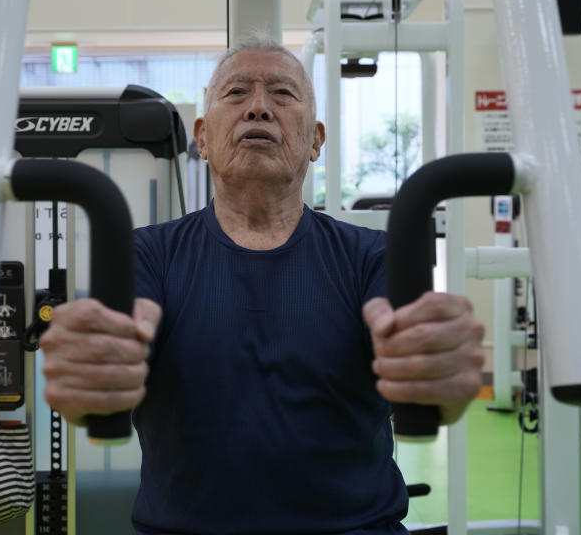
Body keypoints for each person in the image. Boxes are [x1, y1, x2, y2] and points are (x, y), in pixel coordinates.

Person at [39, 37, 486, 534]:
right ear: (203, 139)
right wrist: (86, 375)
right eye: (236, 94)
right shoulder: (146, 255)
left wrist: (438, 371)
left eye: (282, 94)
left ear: (316, 140)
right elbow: (102, 371)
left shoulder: (371, 257)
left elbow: (422, 368)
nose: (258, 108)